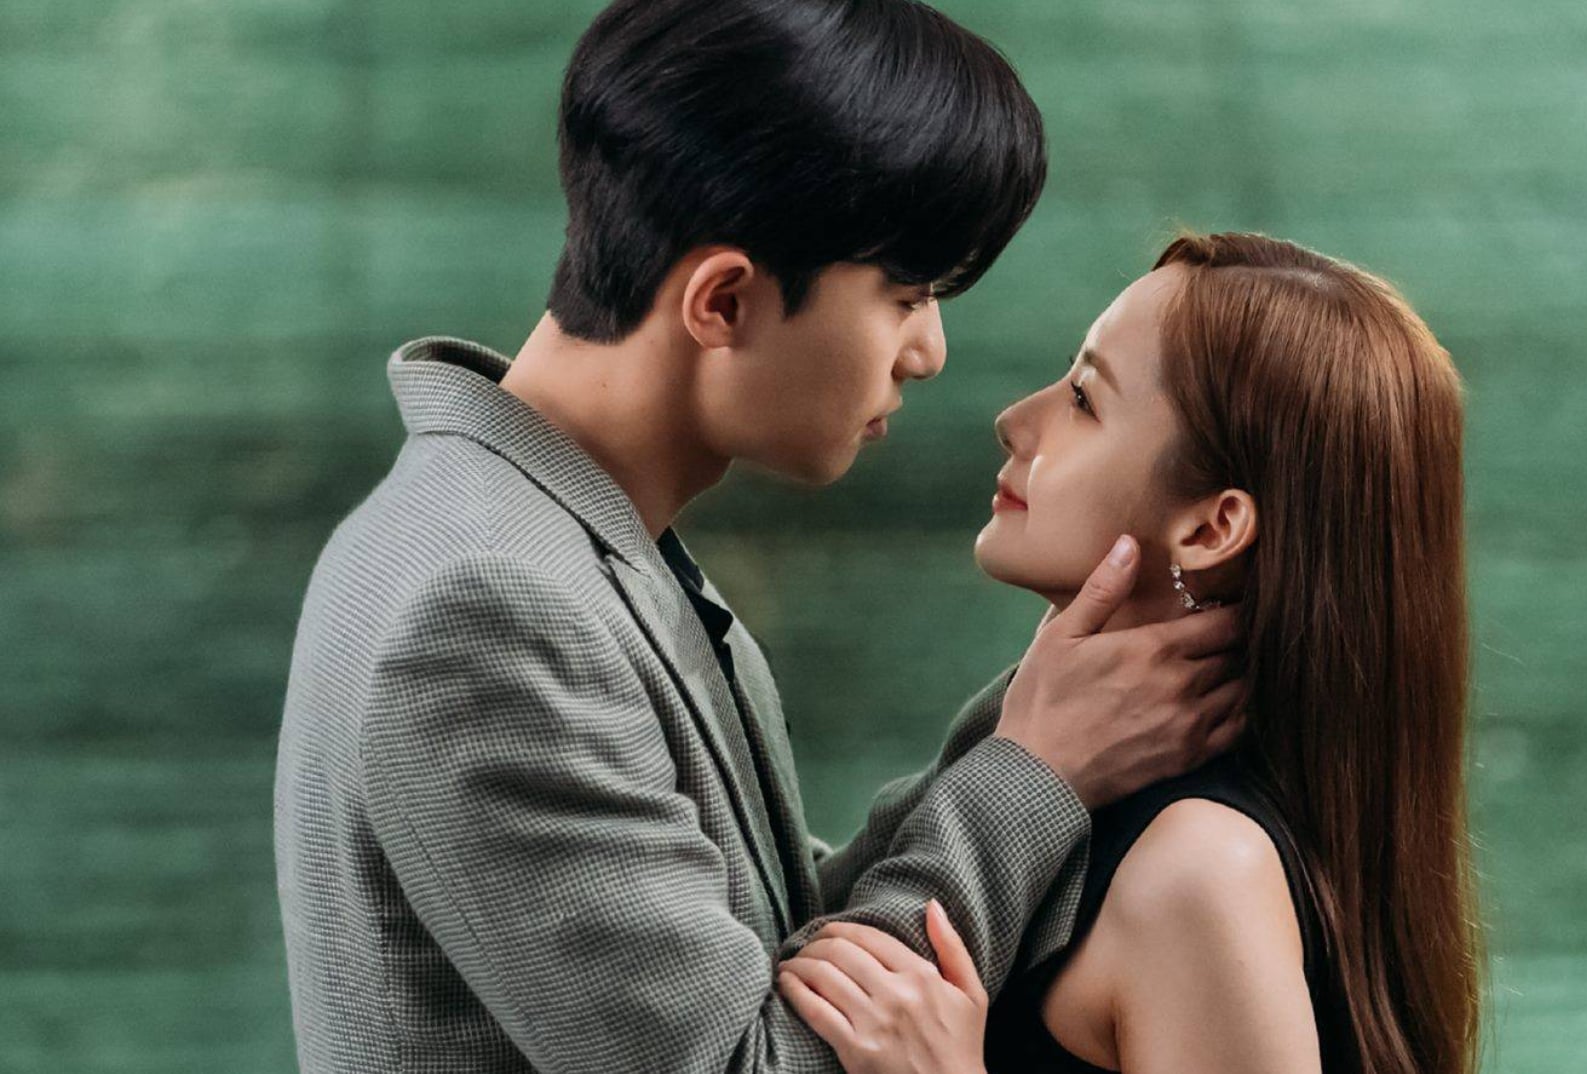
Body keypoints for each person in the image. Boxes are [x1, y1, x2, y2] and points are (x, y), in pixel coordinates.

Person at [272, 3, 1248, 1072]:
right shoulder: (489, 611)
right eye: (905, 295)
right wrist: (1036, 773)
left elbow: (762, 936)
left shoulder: (537, 534)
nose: (928, 351)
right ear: (725, 302)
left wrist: (1035, 728)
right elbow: (749, 1056)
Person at [776, 232, 1485, 1074]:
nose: (1015, 421)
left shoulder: (1201, 873)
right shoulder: (1080, 798)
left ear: (1211, 528)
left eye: (1084, 398)